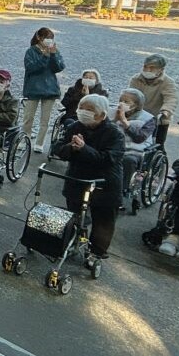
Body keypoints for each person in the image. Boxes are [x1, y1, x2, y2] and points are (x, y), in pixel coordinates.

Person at [51, 94, 124, 263]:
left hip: (104, 182)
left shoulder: (114, 134)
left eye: (90, 110)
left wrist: (84, 149)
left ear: (102, 114)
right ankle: (74, 241)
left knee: (103, 219)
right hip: (78, 178)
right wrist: (71, 147)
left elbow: (108, 159)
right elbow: (58, 148)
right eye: (82, 108)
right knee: (74, 212)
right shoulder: (75, 126)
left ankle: (96, 252)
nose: (84, 112)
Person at [23, 27, 65, 153]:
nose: (49, 40)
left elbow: (59, 67)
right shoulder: (31, 51)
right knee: (28, 117)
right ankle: (25, 139)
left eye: (51, 38)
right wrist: (44, 56)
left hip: (50, 89)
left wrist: (52, 55)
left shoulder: (55, 51)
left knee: (45, 120)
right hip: (33, 88)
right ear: (39, 38)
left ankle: (39, 143)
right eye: (47, 38)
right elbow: (31, 68)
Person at [113, 87, 157, 206]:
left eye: (126, 102)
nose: (122, 103)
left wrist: (124, 122)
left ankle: (122, 190)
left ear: (136, 105)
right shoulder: (114, 112)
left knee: (129, 160)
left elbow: (140, 138)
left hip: (135, 150)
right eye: (121, 100)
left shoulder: (148, 118)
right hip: (116, 147)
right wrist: (113, 120)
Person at [129, 54, 178, 148]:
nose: (147, 70)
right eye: (145, 66)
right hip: (138, 117)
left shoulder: (167, 82)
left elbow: (171, 98)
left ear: (161, 69)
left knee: (157, 145)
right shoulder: (136, 79)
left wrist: (166, 110)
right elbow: (131, 95)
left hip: (157, 118)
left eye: (152, 68)